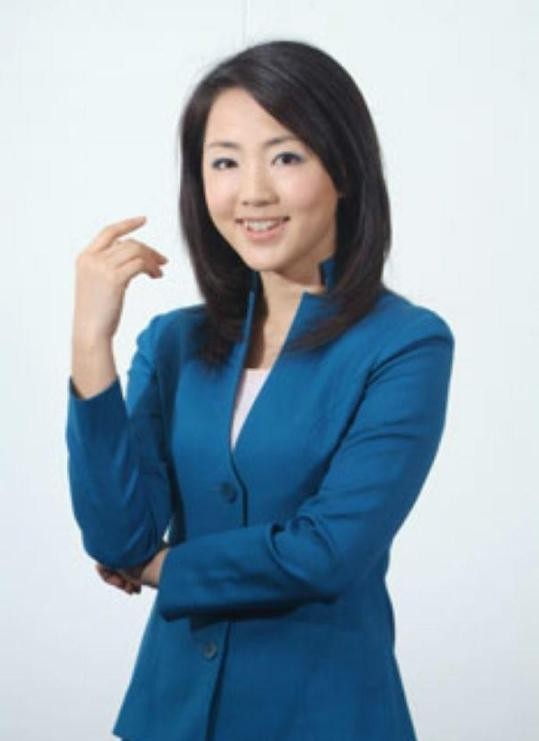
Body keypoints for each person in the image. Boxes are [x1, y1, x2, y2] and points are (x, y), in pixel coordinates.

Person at [65, 39, 455, 741]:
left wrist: (160, 567)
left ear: (343, 170)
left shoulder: (405, 343)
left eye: (285, 157)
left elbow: (326, 551)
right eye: (224, 161)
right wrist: (91, 342)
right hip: (170, 718)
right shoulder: (173, 341)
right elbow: (116, 534)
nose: (252, 192)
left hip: (325, 717)